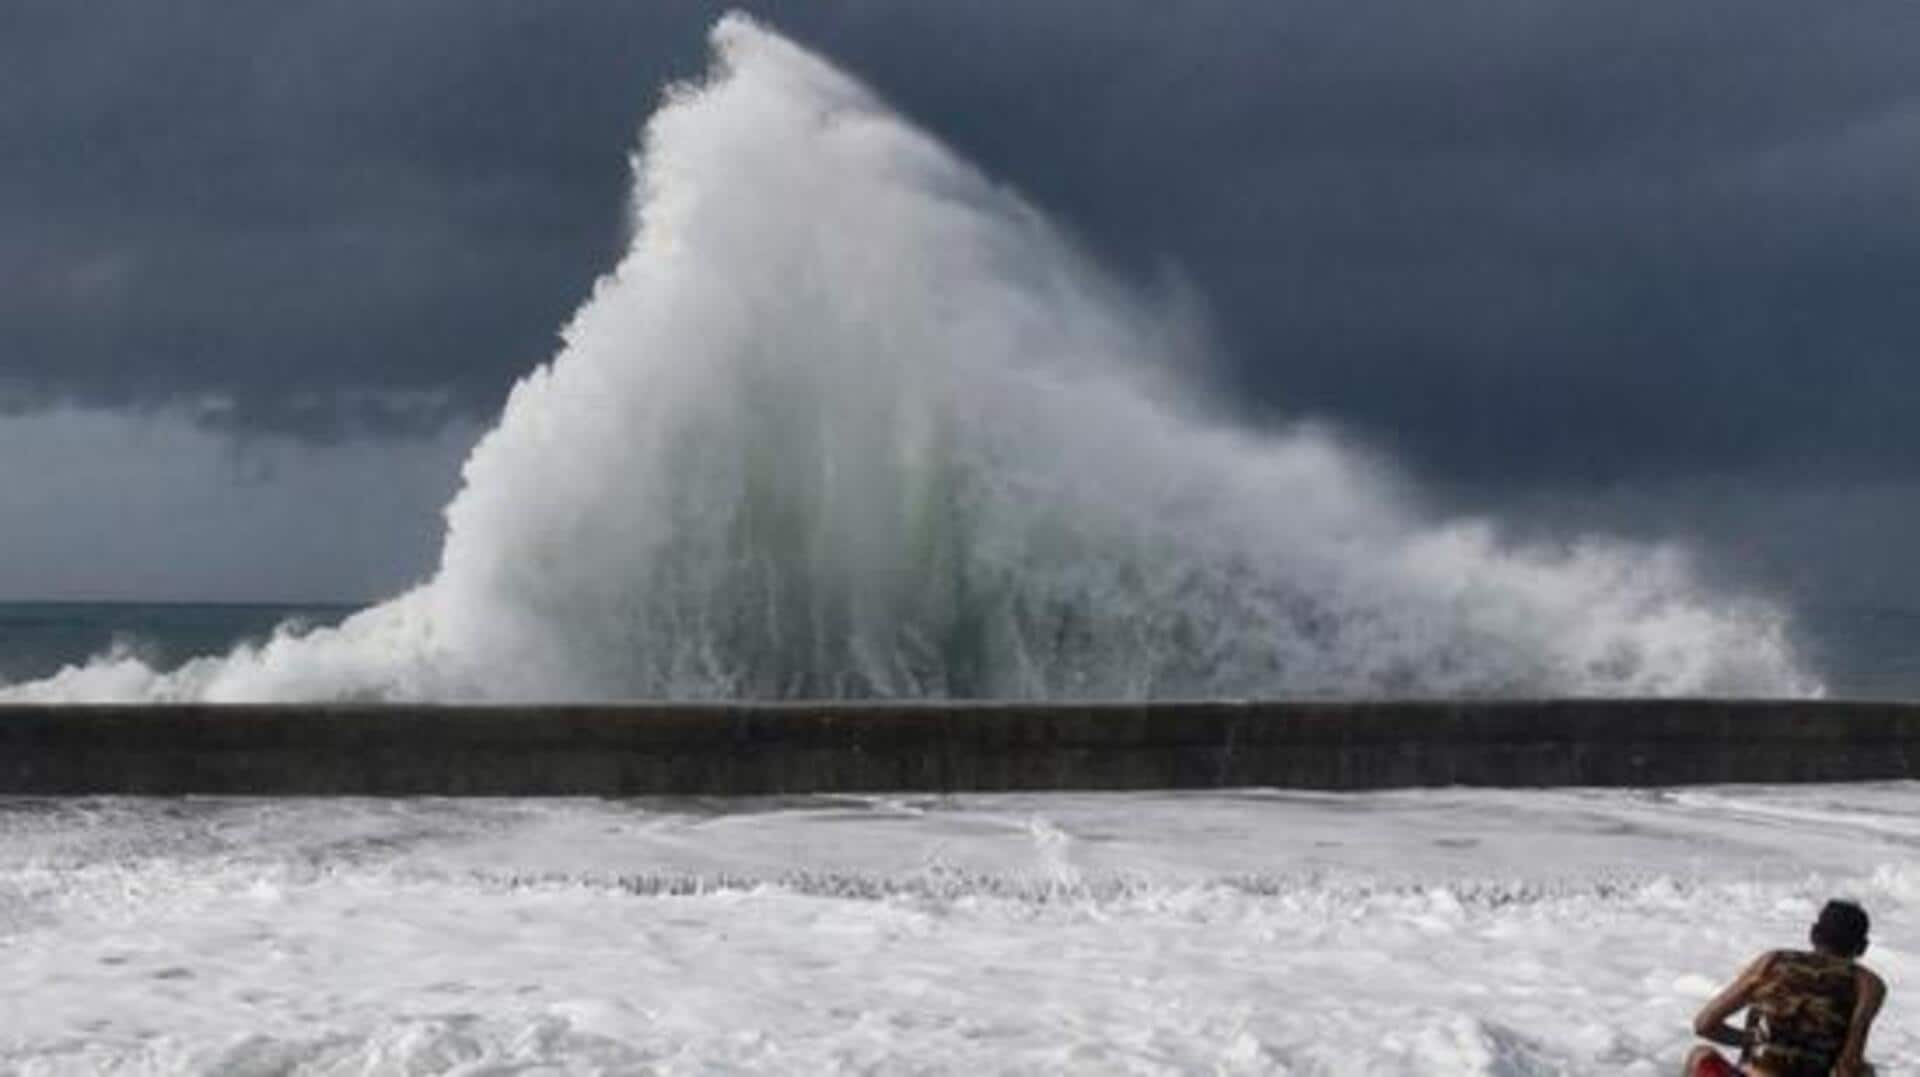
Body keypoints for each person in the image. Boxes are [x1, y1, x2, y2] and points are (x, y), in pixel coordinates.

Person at [1684, 900, 1886, 1077]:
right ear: (1862, 947)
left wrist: (1759, 1041)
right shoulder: (1867, 983)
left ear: (1813, 934)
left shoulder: (1772, 961)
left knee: (1699, 1055)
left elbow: (1704, 1025)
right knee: (1865, 1072)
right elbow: (1849, 1063)